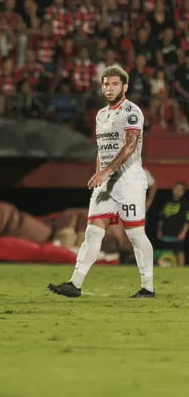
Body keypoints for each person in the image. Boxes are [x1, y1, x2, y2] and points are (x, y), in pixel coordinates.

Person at [48, 65, 156, 298]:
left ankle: (148, 287)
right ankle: (75, 284)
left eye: (115, 84)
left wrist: (106, 170)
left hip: (129, 181)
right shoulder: (100, 114)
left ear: (125, 86)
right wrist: (99, 173)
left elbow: (129, 146)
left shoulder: (132, 111)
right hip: (107, 182)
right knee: (92, 232)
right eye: (106, 84)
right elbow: (101, 149)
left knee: (136, 235)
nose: (109, 88)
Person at [157, 182, 189, 266]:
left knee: (179, 251)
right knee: (165, 251)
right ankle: (165, 265)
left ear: (183, 192)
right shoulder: (166, 202)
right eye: (176, 188)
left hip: (178, 232)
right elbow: (161, 219)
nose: (178, 191)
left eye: (180, 189)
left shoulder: (185, 204)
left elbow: (187, 221)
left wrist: (183, 233)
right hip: (166, 232)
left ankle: (181, 268)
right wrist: (159, 230)